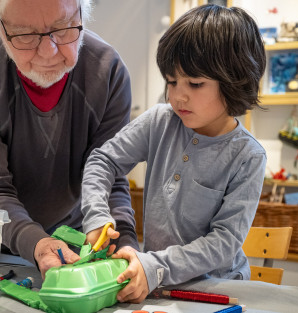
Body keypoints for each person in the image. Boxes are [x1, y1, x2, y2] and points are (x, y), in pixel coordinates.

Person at [81, 4, 267, 303]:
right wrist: (97, 215)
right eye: (171, 81)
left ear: (235, 81)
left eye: (195, 83)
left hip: (218, 292)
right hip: (158, 285)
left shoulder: (248, 156)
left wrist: (155, 265)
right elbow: (103, 160)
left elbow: (223, 243)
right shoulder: (159, 121)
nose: (178, 95)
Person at [0, 0, 139, 278]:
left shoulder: (108, 72)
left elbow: (110, 178)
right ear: (1, 28)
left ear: (83, 15)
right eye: (24, 35)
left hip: (68, 238)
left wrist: (126, 245)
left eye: (63, 28)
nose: (49, 52)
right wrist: (37, 242)